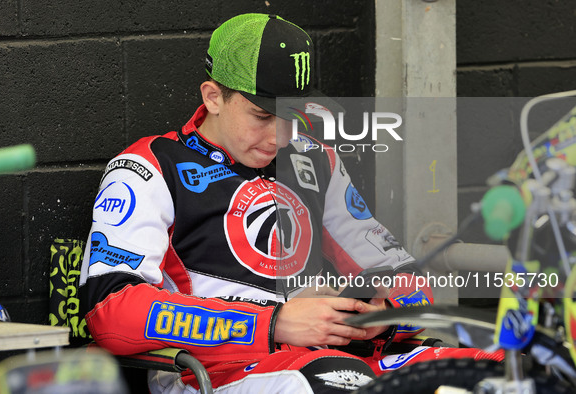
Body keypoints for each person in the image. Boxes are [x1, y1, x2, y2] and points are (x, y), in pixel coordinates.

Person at [79, 13, 502, 393]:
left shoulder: (316, 159)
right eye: (262, 116)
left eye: (291, 115)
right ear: (212, 97)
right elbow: (110, 311)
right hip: (218, 372)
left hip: (337, 360)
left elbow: (415, 285)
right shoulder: (149, 167)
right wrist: (274, 322)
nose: (279, 136)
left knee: (516, 370)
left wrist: (382, 313)